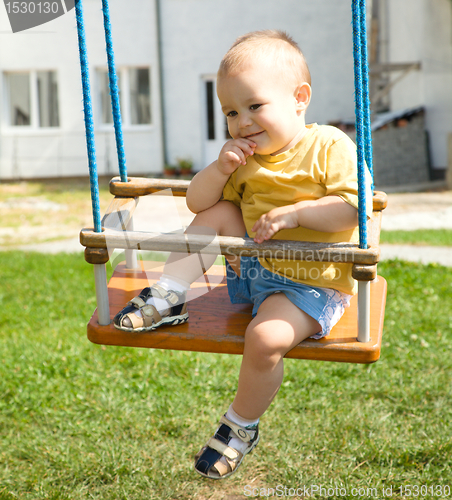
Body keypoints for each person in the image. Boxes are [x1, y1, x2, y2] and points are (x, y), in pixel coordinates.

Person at [113, 30, 372, 479]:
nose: (242, 122)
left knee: (265, 339)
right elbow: (197, 203)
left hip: (311, 282)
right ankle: (170, 295)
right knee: (218, 210)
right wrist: (219, 167)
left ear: (299, 98)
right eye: (231, 112)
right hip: (255, 265)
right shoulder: (245, 158)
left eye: (254, 106)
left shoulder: (329, 145)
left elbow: (355, 207)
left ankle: (239, 426)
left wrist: (295, 213)